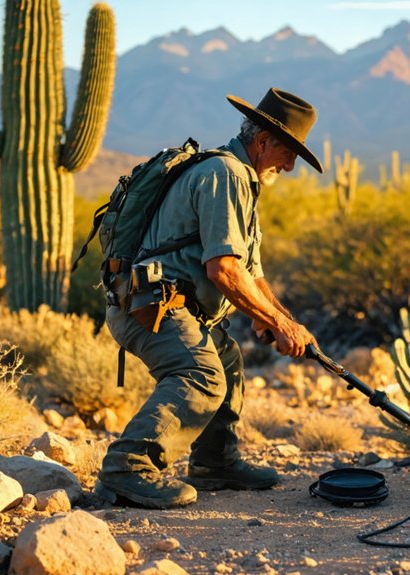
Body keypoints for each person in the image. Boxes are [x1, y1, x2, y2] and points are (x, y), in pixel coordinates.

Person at [96, 88, 323, 509]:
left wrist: (281, 319)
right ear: (263, 141)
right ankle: (127, 467)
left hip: (170, 305)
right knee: (201, 373)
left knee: (227, 359)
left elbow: (251, 273)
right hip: (150, 306)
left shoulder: (242, 179)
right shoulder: (227, 174)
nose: (291, 166)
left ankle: (215, 463)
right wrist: (277, 323)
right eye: (289, 153)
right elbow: (224, 270)